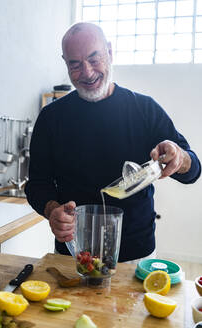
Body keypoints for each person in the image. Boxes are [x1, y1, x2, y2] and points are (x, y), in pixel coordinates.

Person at [25, 22, 201, 262]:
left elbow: (193, 171)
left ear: (109, 51)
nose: (86, 72)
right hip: (73, 255)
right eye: (74, 64)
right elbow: (37, 185)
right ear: (65, 63)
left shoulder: (144, 109)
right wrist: (52, 210)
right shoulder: (51, 118)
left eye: (94, 58)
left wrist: (180, 158)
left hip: (136, 257)